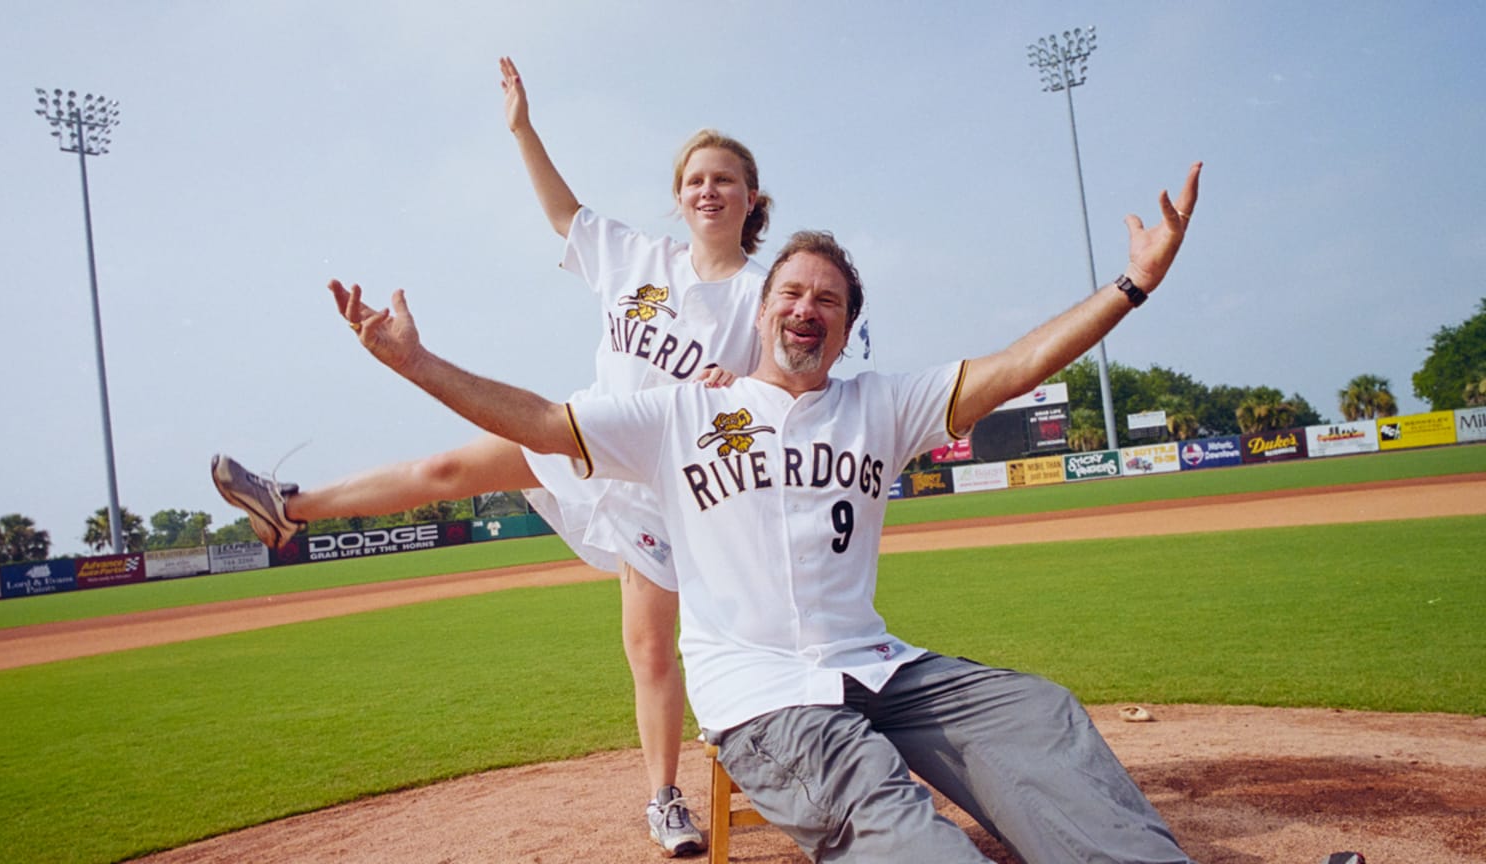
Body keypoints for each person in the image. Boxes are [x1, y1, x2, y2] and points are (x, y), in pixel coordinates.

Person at [334, 163, 1204, 862]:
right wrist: (418, 363)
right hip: (763, 696)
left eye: (828, 300)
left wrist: (1132, 283)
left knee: (1037, 713)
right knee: (883, 810)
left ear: (846, 325)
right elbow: (539, 422)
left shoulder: (882, 405)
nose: (806, 309)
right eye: (791, 293)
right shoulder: (682, 415)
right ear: (759, 311)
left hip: (881, 668)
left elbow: (1017, 365)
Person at [211, 57, 774, 856]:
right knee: (446, 472)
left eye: (725, 179)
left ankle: (666, 797)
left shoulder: (763, 292)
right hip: (580, 437)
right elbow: (562, 213)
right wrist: (521, 128)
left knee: (658, 649)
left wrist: (743, 380)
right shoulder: (637, 258)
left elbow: (787, 381)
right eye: (694, 180)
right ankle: (287, 505)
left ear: (752, 198)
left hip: (673, 489)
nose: (708, 190)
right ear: (680, 197)